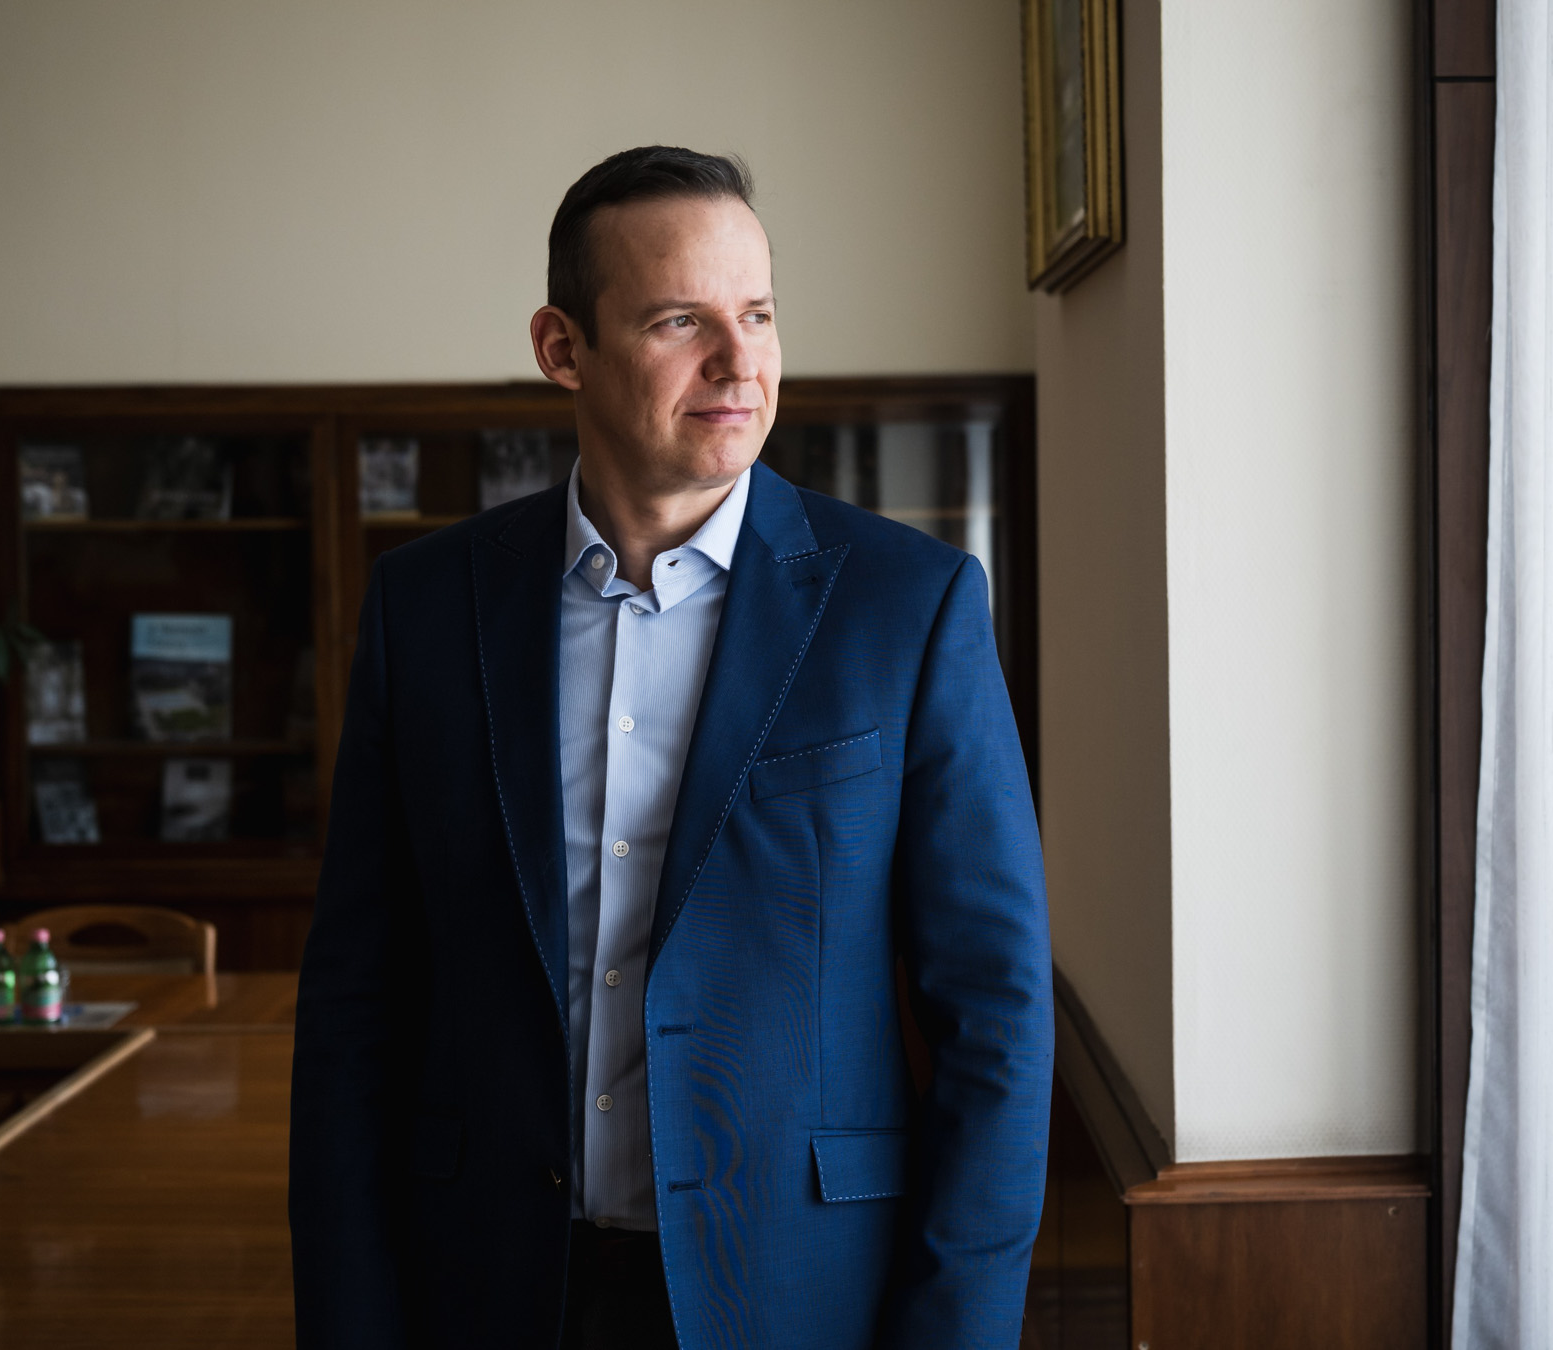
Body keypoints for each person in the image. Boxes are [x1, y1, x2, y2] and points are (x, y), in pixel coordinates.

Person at [290, 146, 1052, 1348]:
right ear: (563, 348)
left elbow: (995, 1011)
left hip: (799, 1290)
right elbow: (354, 1003)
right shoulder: (426, 608)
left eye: (758, 314)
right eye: (679, 320)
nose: (740, 362)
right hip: (486, 1284)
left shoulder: (907, 605)